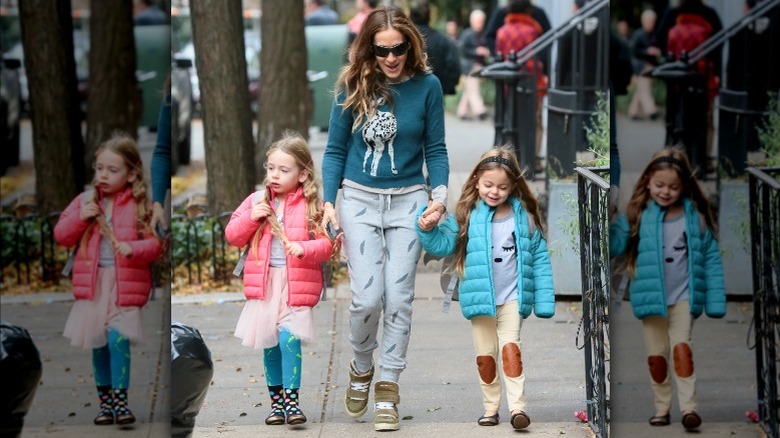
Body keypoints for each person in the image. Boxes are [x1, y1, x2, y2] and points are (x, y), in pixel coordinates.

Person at [321, 6, 449, 432]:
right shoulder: (351, 84)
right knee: (366, 298)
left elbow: (437, 149)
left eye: (398, 49)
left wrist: (440, 196)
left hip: (409, 200)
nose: (391, 58)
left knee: (399, 298)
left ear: (410, 46)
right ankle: (361, 366)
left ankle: (388, 386)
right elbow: (335, 150)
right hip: (358, 199)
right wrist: (327, 202)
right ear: (368, 48)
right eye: (381, 50)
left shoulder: (428, 87)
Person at [415, 147, 554, 431]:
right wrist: (427, 228)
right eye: (488, 185)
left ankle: (518, 407)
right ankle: (491, 408)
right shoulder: (466, 215)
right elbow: (442, 245)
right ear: (476, 180)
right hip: (479, 300)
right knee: (485, 357)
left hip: (513, 298)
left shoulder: (523, 218)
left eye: (502, 187)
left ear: (514, 186)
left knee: (510, 348)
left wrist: (544, 300)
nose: (494, 192)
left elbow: (539, 258)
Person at [609, 148, 726, 430]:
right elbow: (615, 247)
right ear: (648, 181)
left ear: (684, 186)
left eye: (673, 187)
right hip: (650, 300)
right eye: (659, 185)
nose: (665, 192)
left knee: (681, 348)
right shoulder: (637, 213)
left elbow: (710, 259)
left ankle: (689, 408)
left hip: (685, 296)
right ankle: (662, 408)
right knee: (656, 357)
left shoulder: (694, 218)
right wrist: (610, 221)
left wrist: (716, 300)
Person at [225, 131, 335, 426]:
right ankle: (276, 404)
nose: (274, 175)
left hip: (295, 283)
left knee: (289, 339)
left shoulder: (313, 206)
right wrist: (251, 218)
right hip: (265, 285)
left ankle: (292, 401)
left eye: (283, 170)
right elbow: (233, 235)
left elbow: (328, 245)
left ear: (302, 174)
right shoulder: (256, 200)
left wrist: (304, 248)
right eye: (270, 168)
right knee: (270, 342)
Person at [55, 133, 162, 426]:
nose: (103, 175)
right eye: (99, 168)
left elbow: (155, 245)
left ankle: (121, 402)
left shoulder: (141, 205)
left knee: (118, 339)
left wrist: (133, 248)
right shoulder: (85, 200)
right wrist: (80, 218)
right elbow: (61, 236)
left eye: (112, 170)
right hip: (93, 285)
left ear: (131, 175)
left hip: (124, 284)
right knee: (98, 342)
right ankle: (105, 405)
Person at [495, 0, 546, 172]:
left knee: (511, 121)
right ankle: (532, 160)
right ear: (527, 10)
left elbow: (499, 57)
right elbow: (536, 60)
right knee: (534, 122)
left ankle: (512, 159)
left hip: (508, 84)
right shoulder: (533, 31)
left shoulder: (501, 31)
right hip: (530, 83)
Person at [410, 2, 461, 95]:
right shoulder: (442, 40)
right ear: (429, 16)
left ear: (410, 16)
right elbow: (454, 67)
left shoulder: (405, 39)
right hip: (436, 92)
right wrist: (445, 88)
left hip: (410, 92)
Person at [628, 9, 661, 120]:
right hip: (640, 66)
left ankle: (633, 112)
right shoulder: (639, 34)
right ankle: (651, 111)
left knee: (640, 90)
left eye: (653, 21)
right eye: (650, 21)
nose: (651, 23)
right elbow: (632, 50)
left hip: (649, 65)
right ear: (644, 21)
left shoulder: (652, 35)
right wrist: (647, 51)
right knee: (644, 90)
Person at [457, 9, 490, 120]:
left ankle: (462, 112)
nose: (480, 23)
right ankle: (480, 110)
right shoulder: (467, 34)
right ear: (472, 21)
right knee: (473, 88)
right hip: (469, 65)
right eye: (478, 21)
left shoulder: (483, 34)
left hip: (479, 65)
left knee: (469, 89)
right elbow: (461, 49)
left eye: (481, 21)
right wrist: (476, 51)